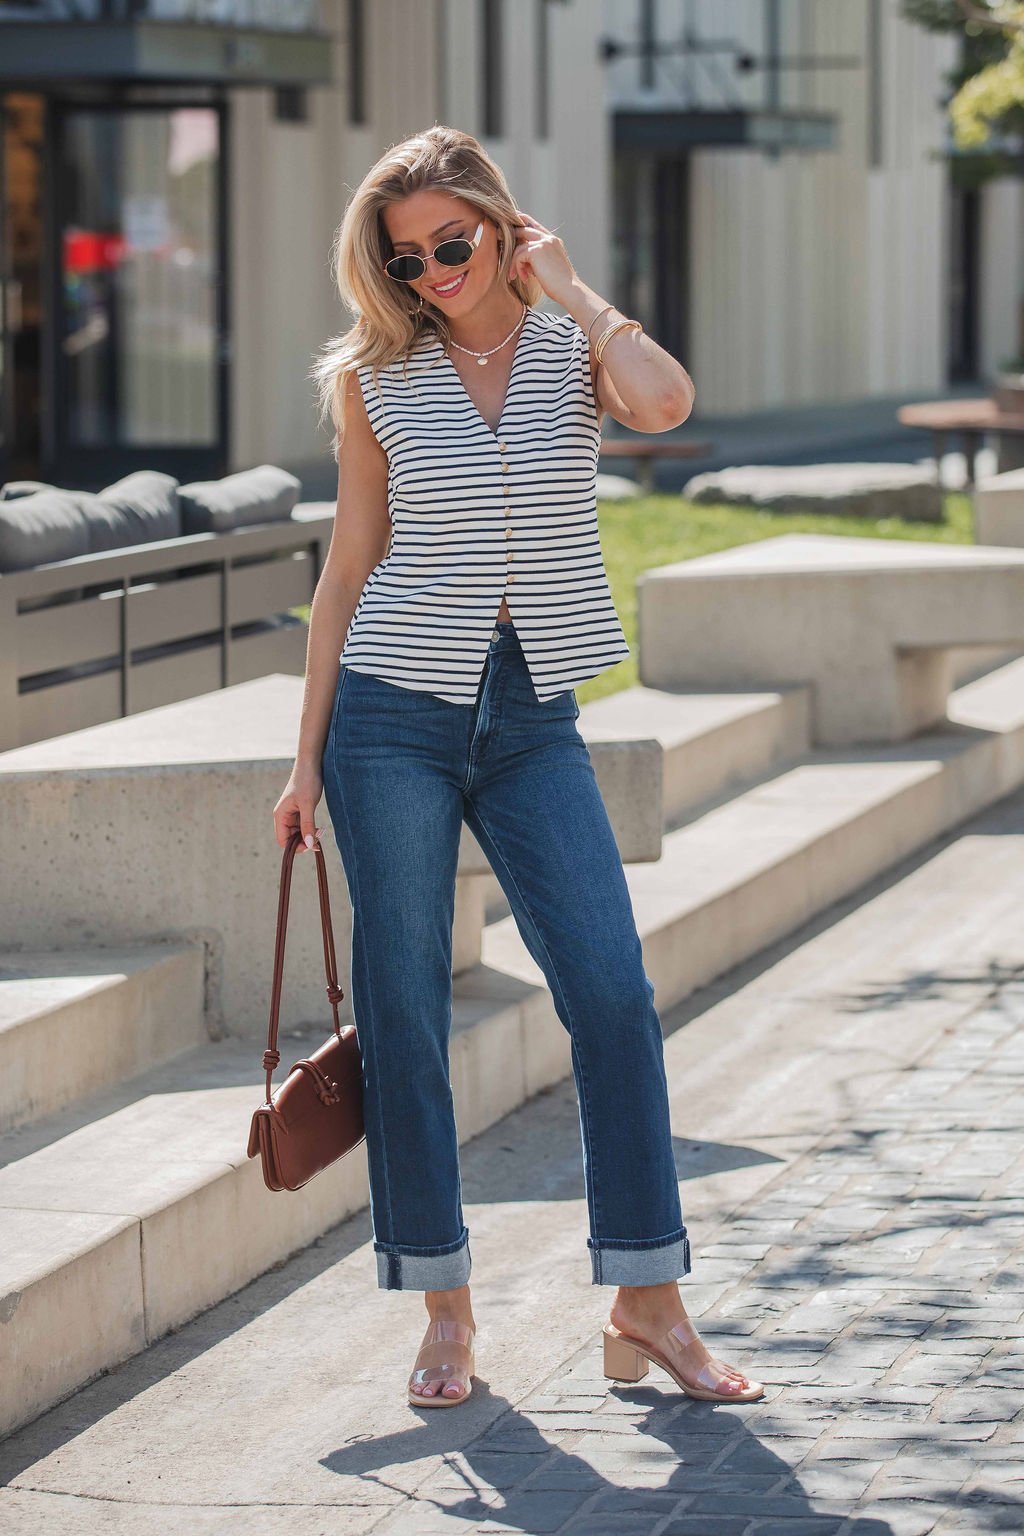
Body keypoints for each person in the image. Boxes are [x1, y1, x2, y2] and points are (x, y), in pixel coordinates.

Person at [274, 125, 764, 1410]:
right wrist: (302, 756)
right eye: (406, 256)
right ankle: (442, 1308)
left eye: (452, 242)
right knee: (404, 1010)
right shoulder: (375, 380)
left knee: (610, 990)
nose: (431, 270)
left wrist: (574, 289)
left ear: (502, 228)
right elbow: (346, 569)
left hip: (532, 705)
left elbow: (667, 405)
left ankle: (647, 1303)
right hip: (390, 715)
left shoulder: (571, 351)